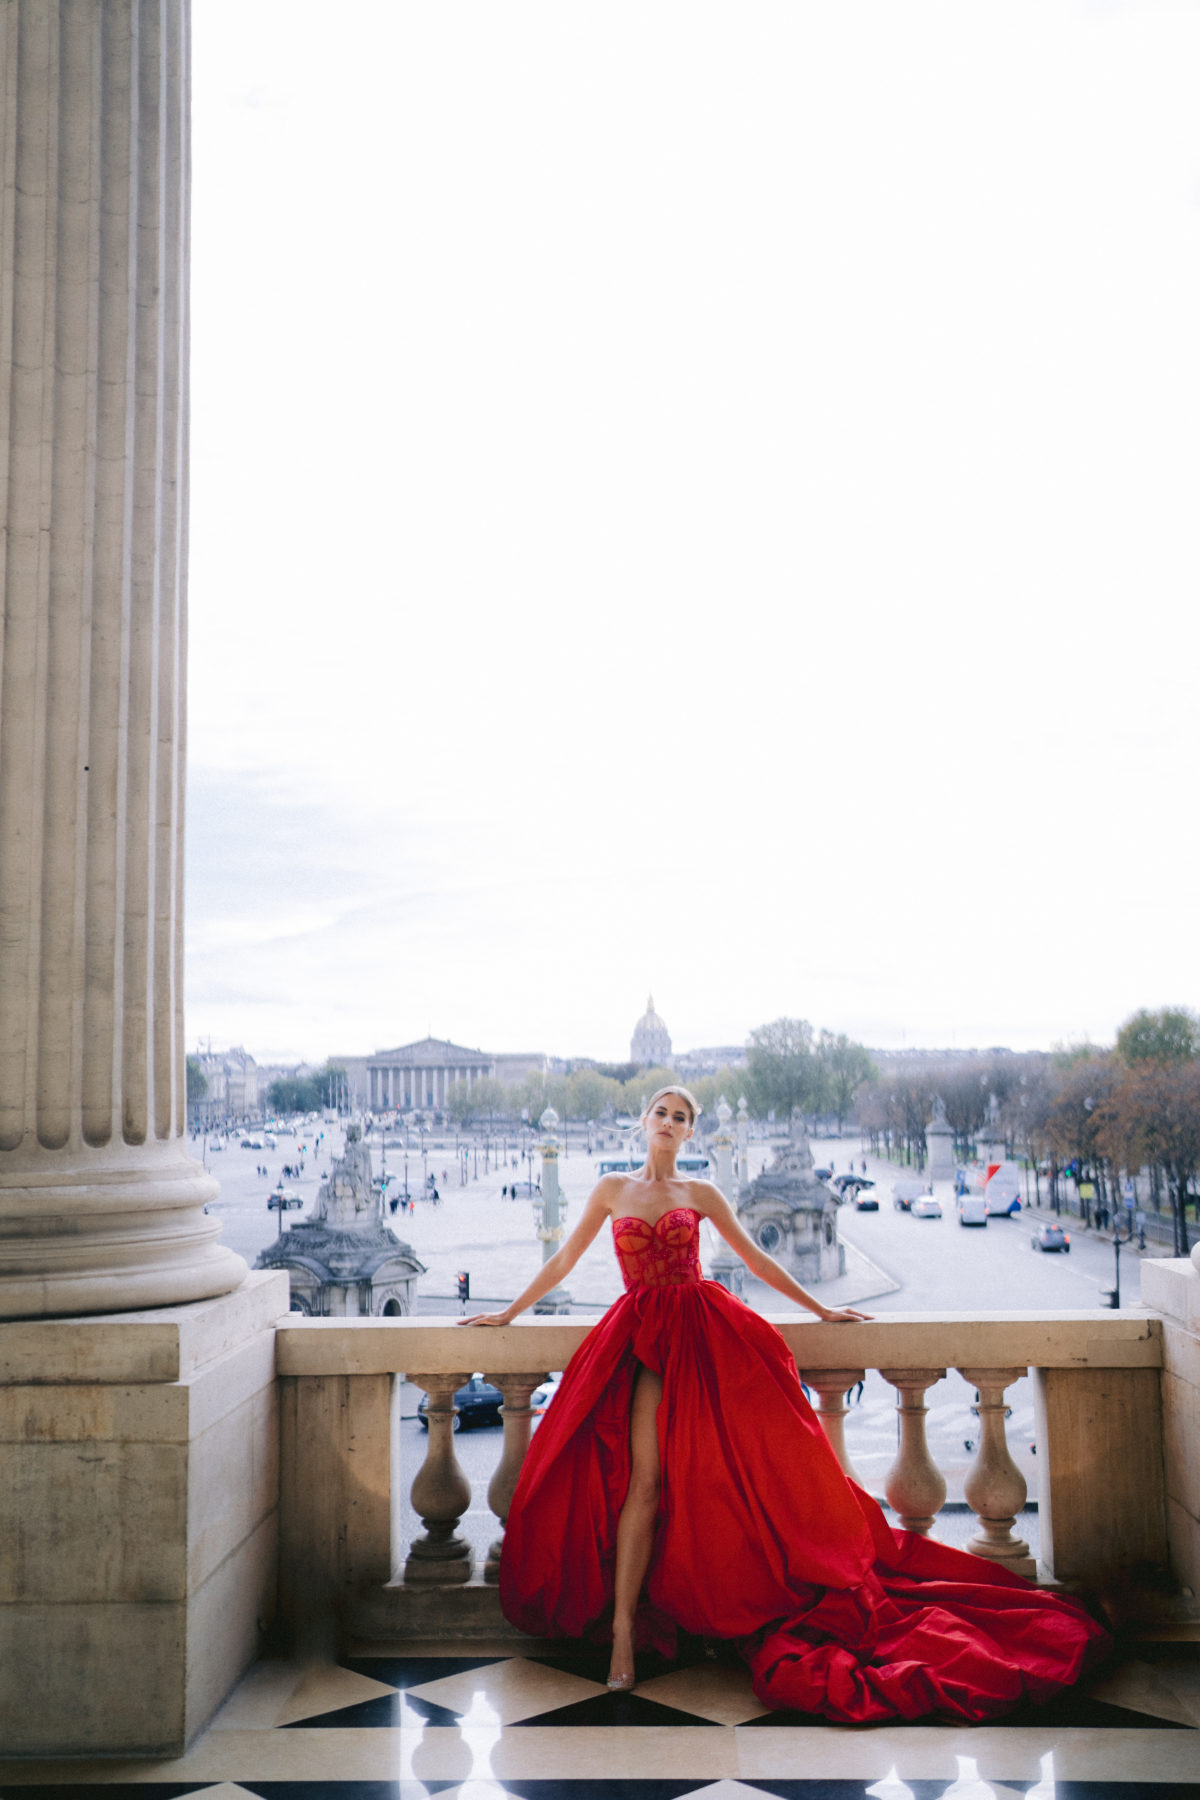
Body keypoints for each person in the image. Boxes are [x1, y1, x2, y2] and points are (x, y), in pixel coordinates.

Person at [464, 1085, 1108, 1721]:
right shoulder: (611, 1189)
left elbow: (759, 1262)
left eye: (680, 1117)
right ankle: (627, 1629)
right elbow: (565, 1263)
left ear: (691, 1132)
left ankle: (716, 1605)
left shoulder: (702, 1194)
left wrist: (821, 1308)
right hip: (643, 1339)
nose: (668, 1122)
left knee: (721, 1481)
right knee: (647, 1484)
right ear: (643, 1121)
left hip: (701, 1334)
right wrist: (508, 1312)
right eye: (661, 1112)